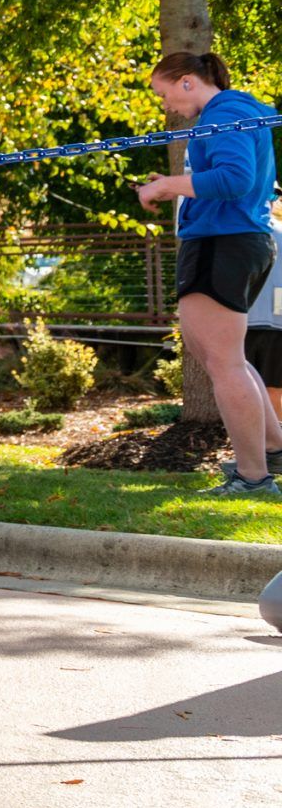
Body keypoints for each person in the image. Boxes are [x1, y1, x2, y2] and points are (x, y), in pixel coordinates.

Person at [135, 52, 282, 494]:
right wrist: (176, 182)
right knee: (224, 357)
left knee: (224, 363)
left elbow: (234, 179)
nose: (168, 107)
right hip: (231, 240)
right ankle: (273, 451)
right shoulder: (230, 112)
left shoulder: (226, 111)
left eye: (165, 95)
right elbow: (226, 179)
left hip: (224, 242)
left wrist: (165, 186)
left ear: (185, 82)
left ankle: (254, 478)